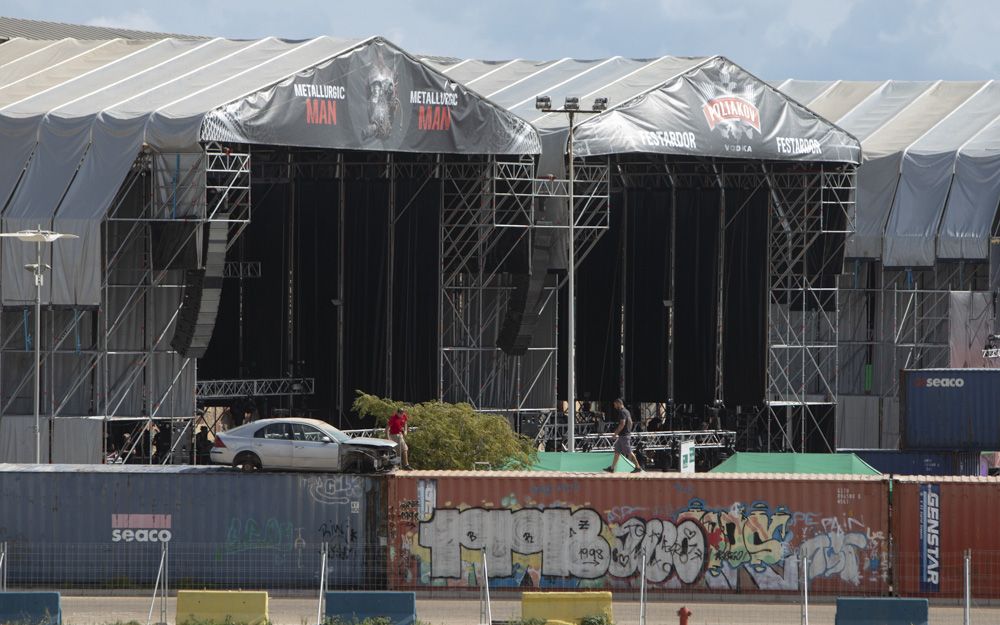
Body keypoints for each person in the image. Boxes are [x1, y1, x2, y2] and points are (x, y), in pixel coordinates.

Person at [604, 398, 643, 473]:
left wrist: (615, 433)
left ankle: (638, 467)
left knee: (629, 452)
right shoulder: (627, 411)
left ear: (618, 403)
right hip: (623, 435)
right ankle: (612, 468)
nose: (614, 406)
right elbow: (630, 422)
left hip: (624, 436)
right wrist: (628, 430)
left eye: (615, 404)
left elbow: (622, 424)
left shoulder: (622, 412)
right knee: (617, 452)